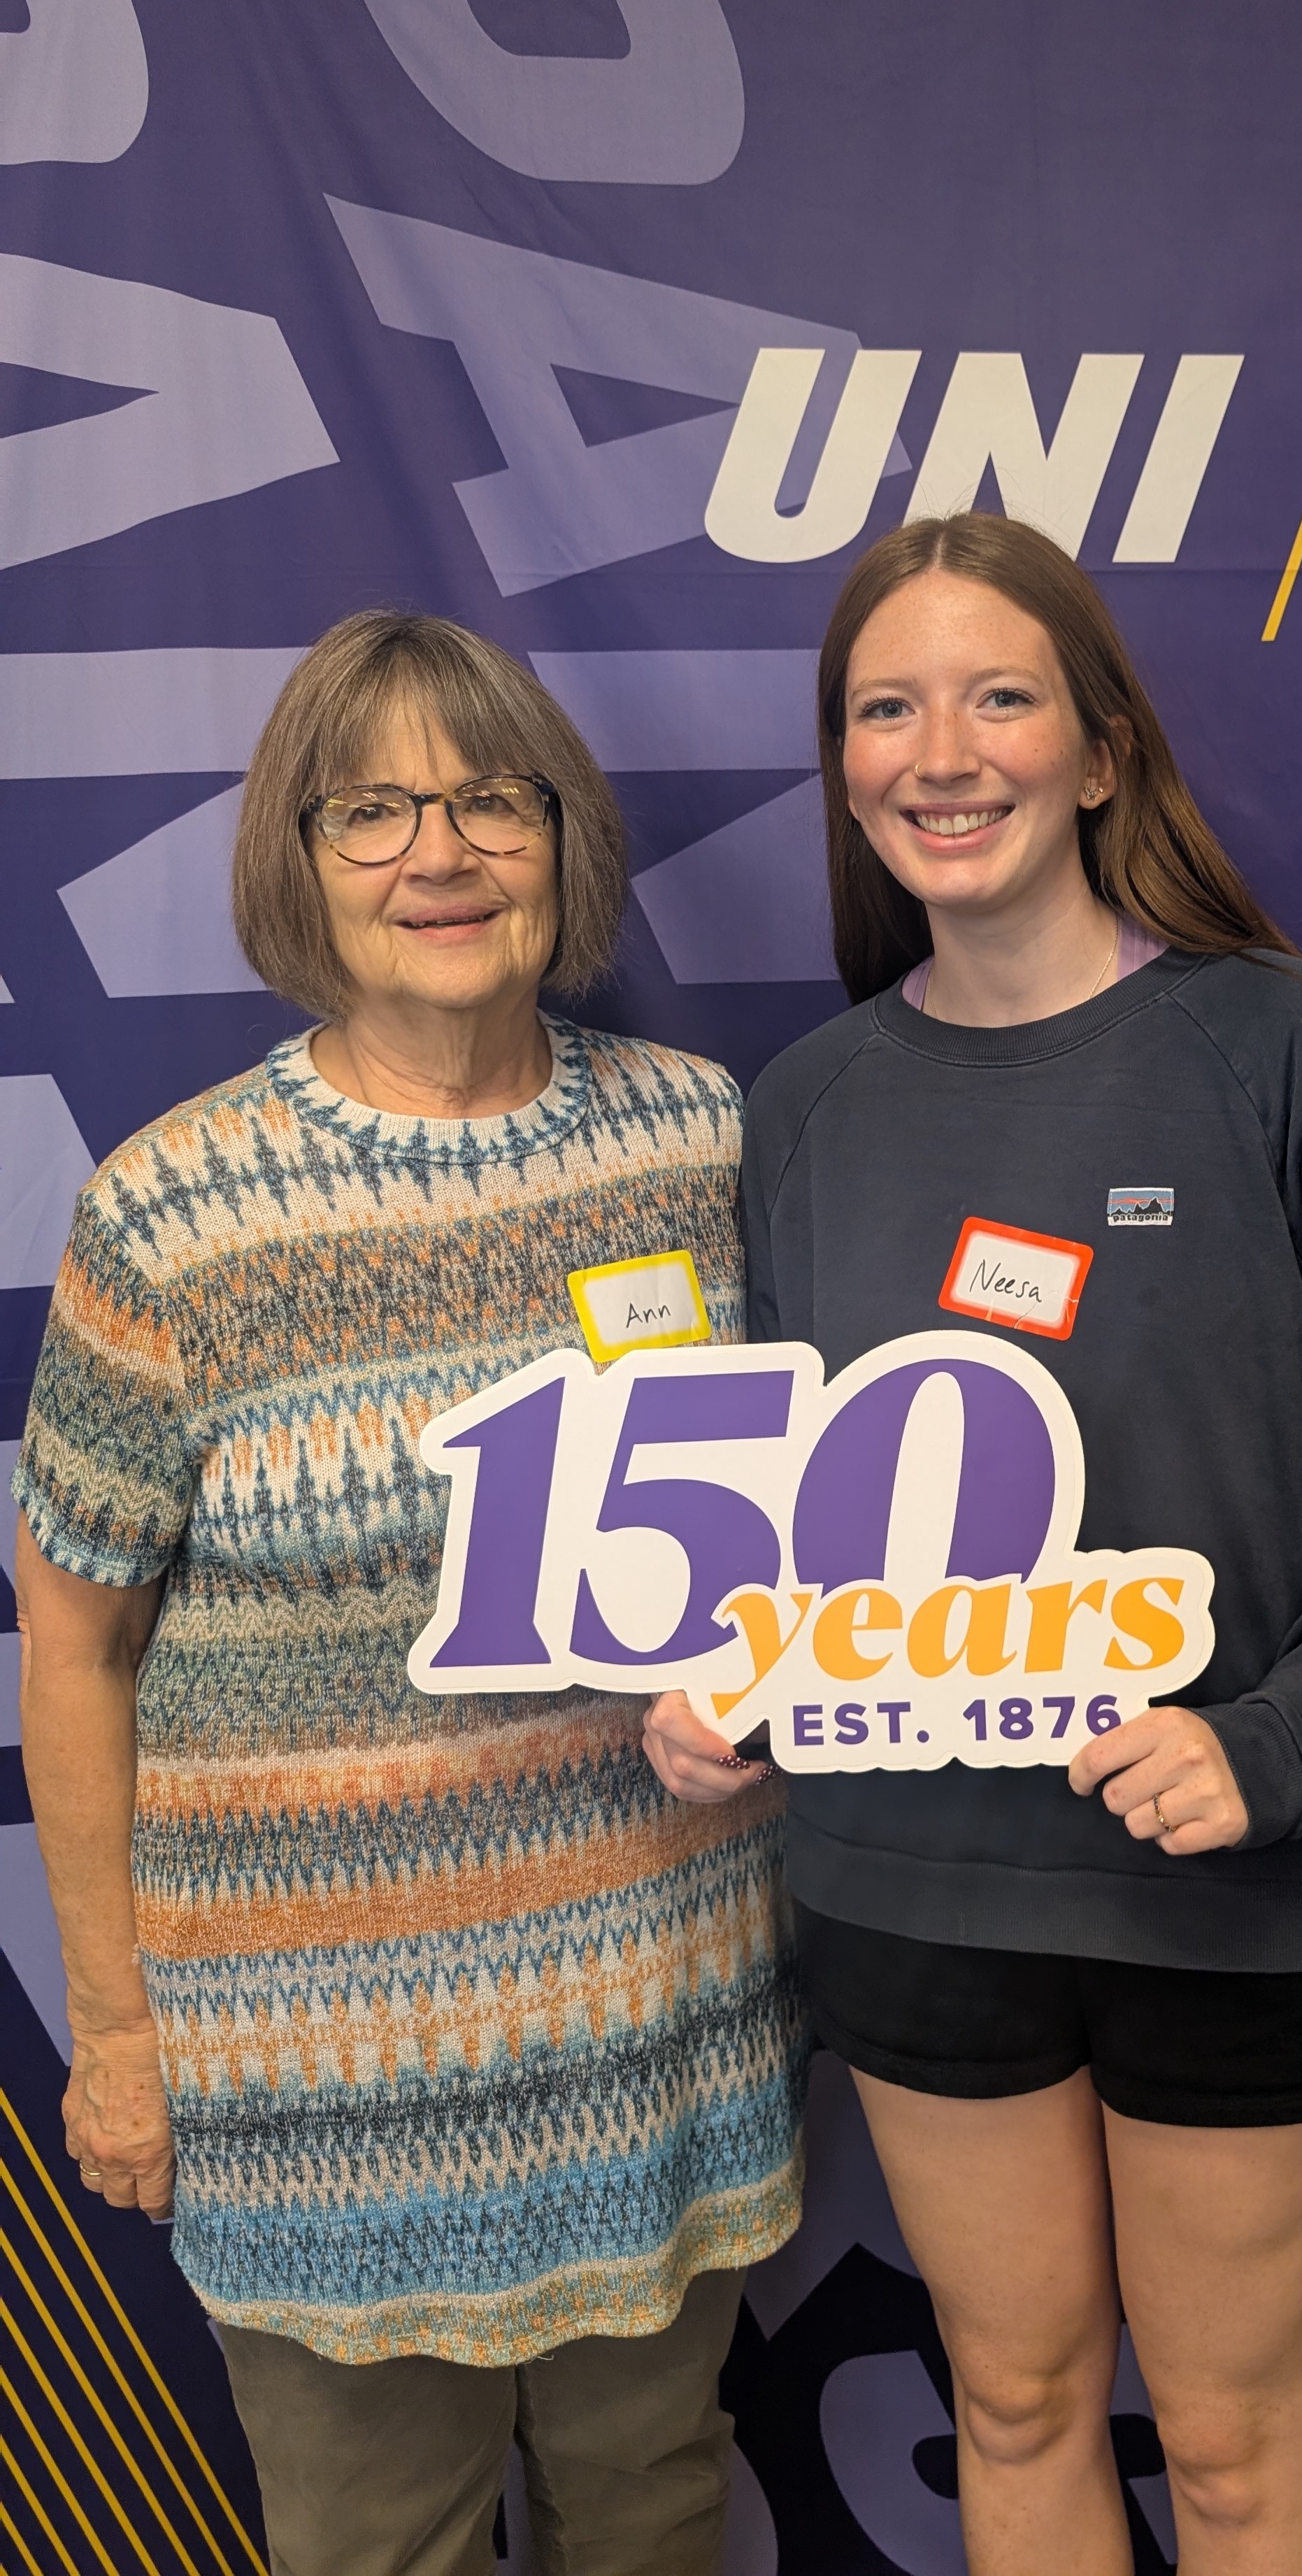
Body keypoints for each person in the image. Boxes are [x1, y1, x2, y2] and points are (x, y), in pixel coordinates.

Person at [643, 513, 1302, 2575]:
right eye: (885, 706)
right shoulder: (807, 1106)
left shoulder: (1277, 1045)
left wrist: (1277, 1741)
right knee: (1020, 2400)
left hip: (1243, 1883)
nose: (937, 751)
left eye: (998, 696)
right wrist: (728, 1685)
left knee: (1231, 2449)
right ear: (844, 764)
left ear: (1103, 749)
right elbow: (795, 1502)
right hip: (920, 1877)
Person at [16, 611, 800, 2576]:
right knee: (382, 2555)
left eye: (486, 801)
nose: (435, 855)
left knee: (656, 2509)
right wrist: (116, 2037)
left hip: (652, 2021)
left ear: (563, 840)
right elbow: (75, 1636)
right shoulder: (181, 1211)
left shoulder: (705, 1145)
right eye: (370, 811)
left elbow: (806, 1538)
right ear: (297, 858)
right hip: (318, 2080)